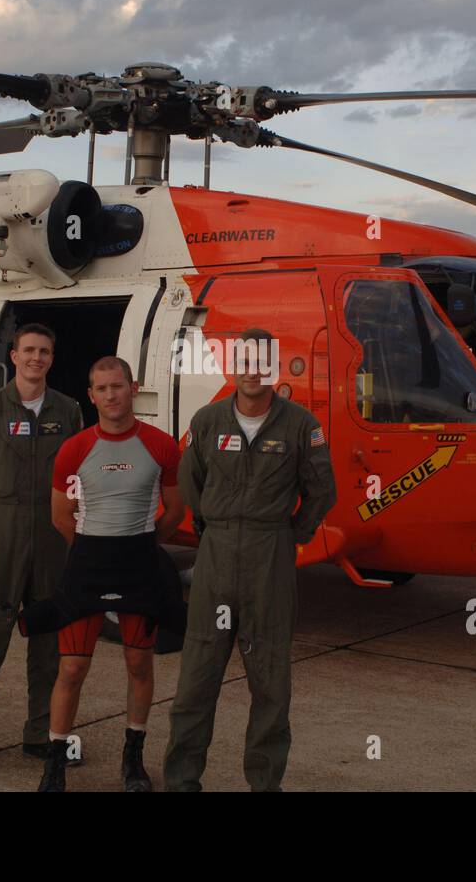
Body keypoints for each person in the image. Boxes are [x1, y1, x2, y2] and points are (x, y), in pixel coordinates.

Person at [163, 327, 337, 792]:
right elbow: (190, 481)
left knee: (270, 684)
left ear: (273, 368)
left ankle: (264, 782)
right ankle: (182, 780)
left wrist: (289, 534)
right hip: (216, 560)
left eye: (263, 361)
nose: (252, 370)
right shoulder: (207, 421)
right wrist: (211, 528)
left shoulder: (301, 426)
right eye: (244, 361)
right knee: (197, 678)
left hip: (269, 559)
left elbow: (323, 491)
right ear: (233, 366)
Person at [17, 356, 185, 792]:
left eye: (118, 386)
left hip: (139, 566)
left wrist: (140, 545)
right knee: (71, 669)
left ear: (133, 387)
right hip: (87, 568)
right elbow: (60, 517)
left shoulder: (162, 445)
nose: (111, 395)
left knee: (139, 663)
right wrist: (96, 553)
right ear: (91, 396)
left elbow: (176, 510)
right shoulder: (74, 449)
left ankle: (133, 760)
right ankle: (54, 762)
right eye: (102, 389)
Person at [0, 324, 83, 779]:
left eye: (44, 351)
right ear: (14, 354)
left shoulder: (68, 411)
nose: (36, 358)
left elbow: (77, 482)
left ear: (51, 357)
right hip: (1, 538)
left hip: (51, 541)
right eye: (28, 350)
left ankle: (41, 733)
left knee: (48, 647)